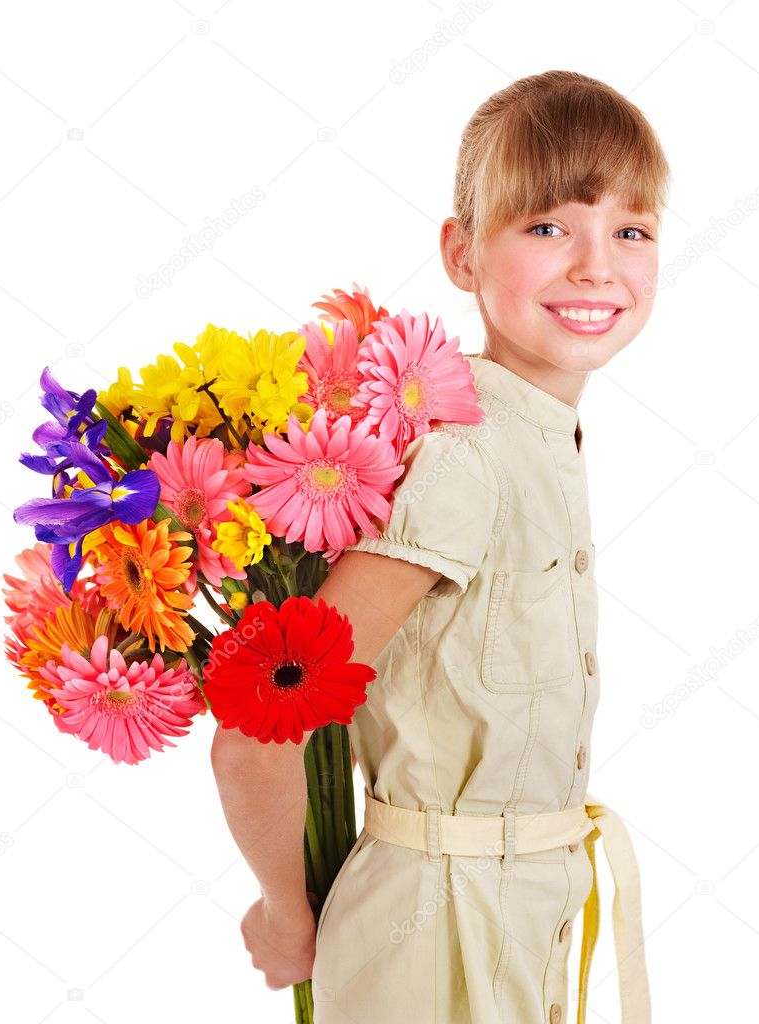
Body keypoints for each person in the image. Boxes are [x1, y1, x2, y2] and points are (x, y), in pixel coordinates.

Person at [211, 69, 670, 1023]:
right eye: (547, 227)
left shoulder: (538, 436)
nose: (595, 265)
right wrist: (284, 910)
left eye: (629, 231)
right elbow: (261, 727)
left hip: (521, 915)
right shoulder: (463, 460)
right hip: (431, 944)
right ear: (461, 254)